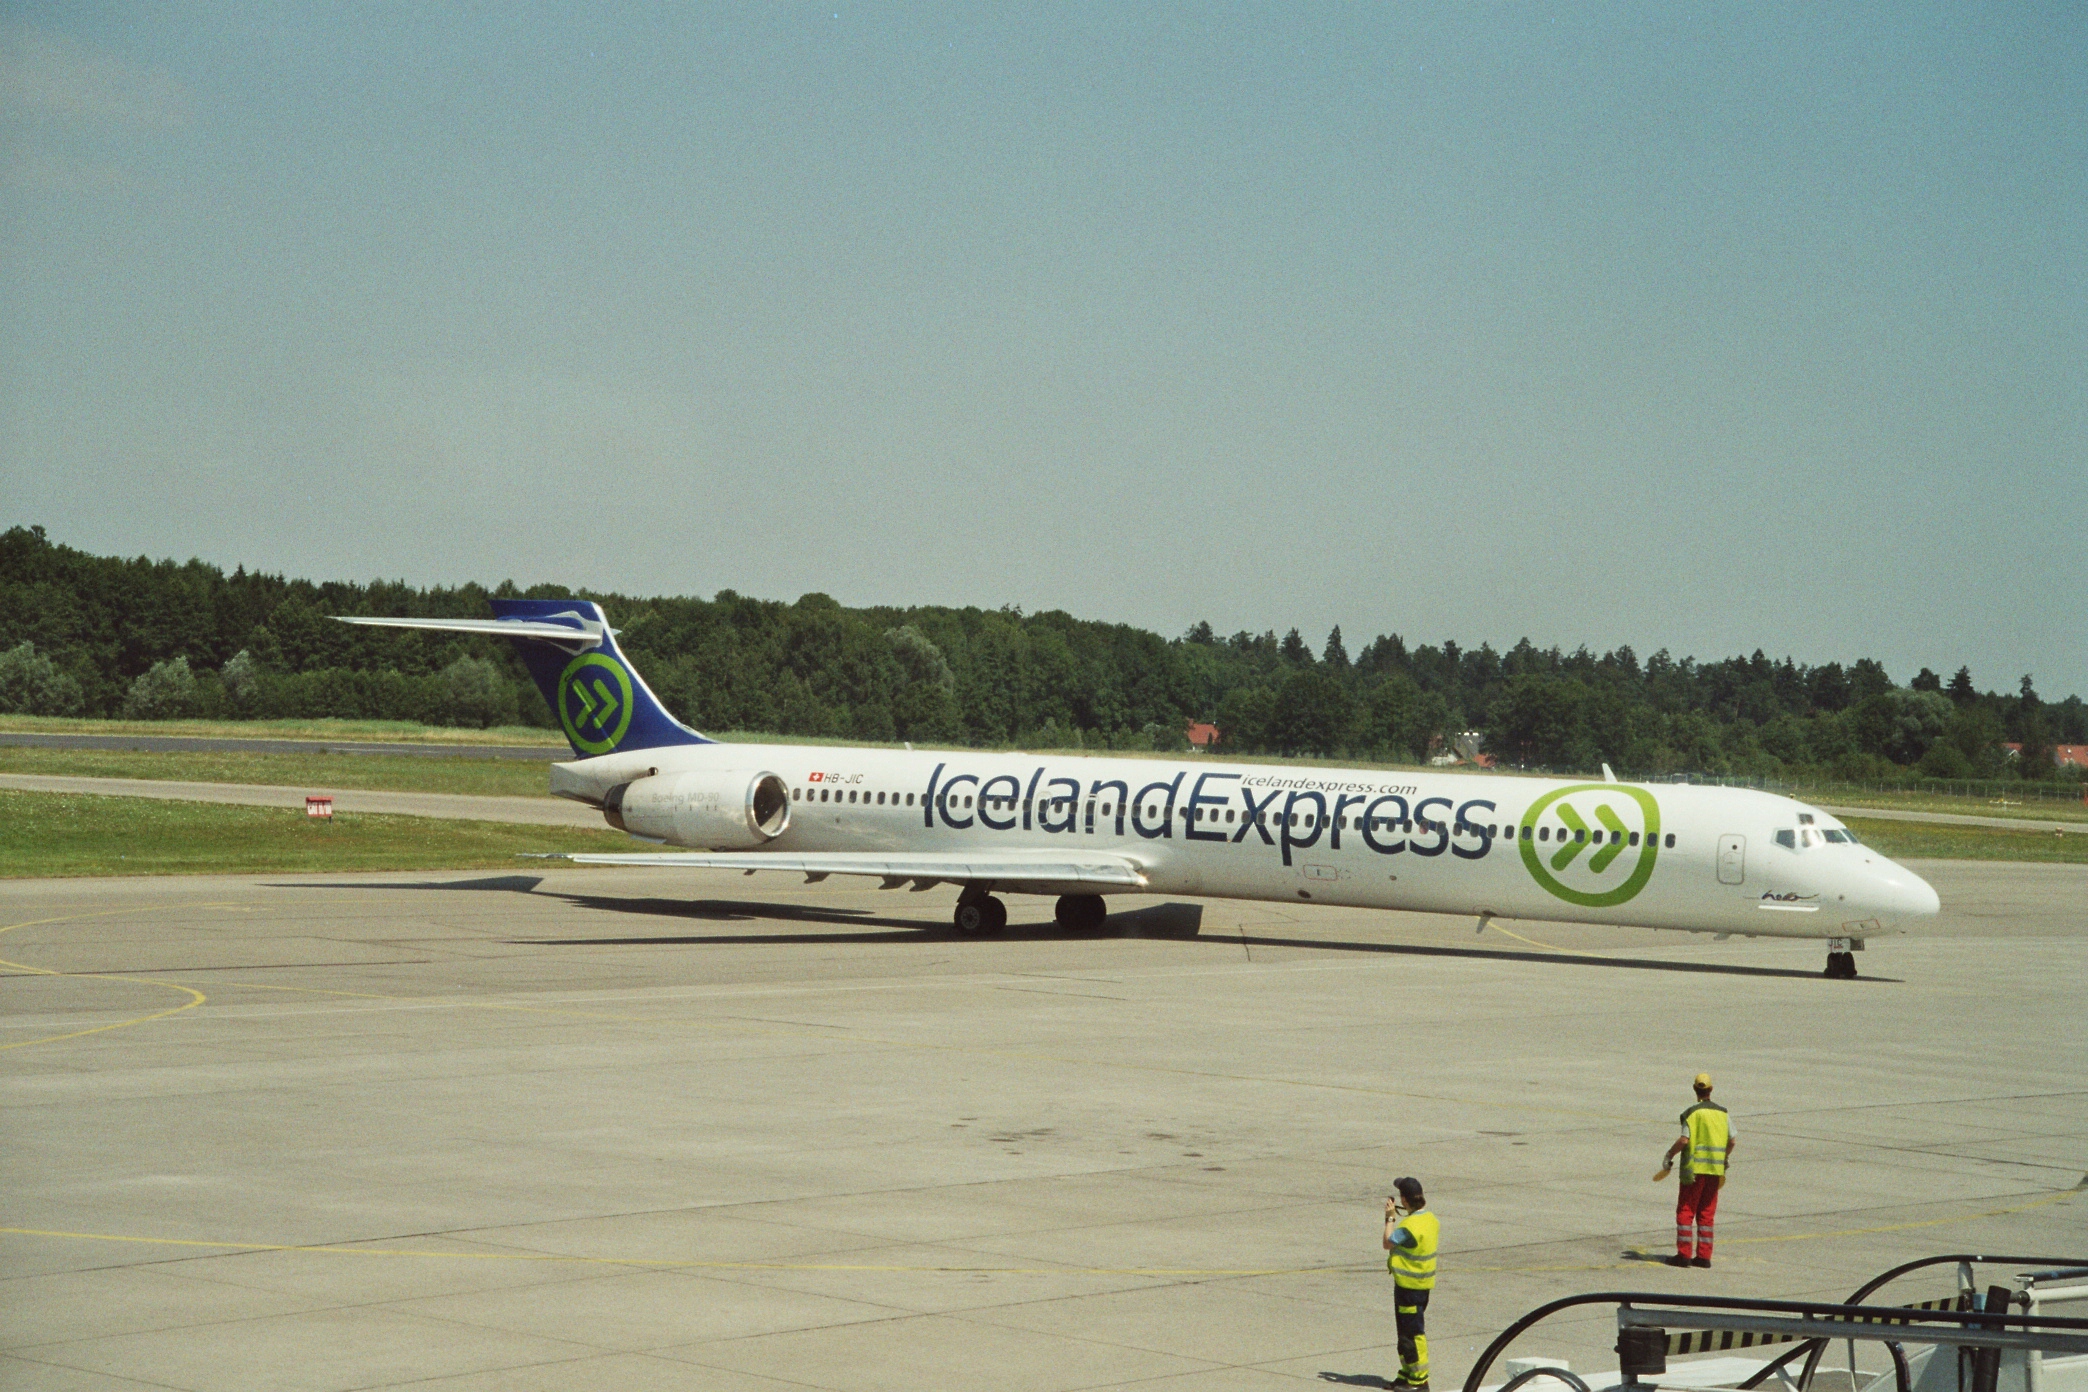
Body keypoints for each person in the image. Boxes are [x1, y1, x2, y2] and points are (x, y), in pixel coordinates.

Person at [1665, 1072, 1735, 1268]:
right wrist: (1724, 1158)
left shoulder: (1692, 1113)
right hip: (1715, 1170)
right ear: (1711, 1089)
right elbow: (1732, 1141)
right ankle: (1704, 1256)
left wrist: (1669, 1155)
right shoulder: (1723, 1114)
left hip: (1693, 1172)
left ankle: (1684, 1255)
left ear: (1695, 1090)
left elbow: (1684, 1140)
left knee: (1686, 1212)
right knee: (1706, 1212)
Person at [1384, 1175, 1438, 1389]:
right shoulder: (1430, 1219)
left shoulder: (1409, 1226)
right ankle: (1407, 1373)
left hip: (1409, 1288)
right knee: (1405, 1333)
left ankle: (1418, 1380)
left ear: (1404, 1200)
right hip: (1420, 1286)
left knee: (1412, 1334)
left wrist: (1389, 1218)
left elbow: (1388, 1242)